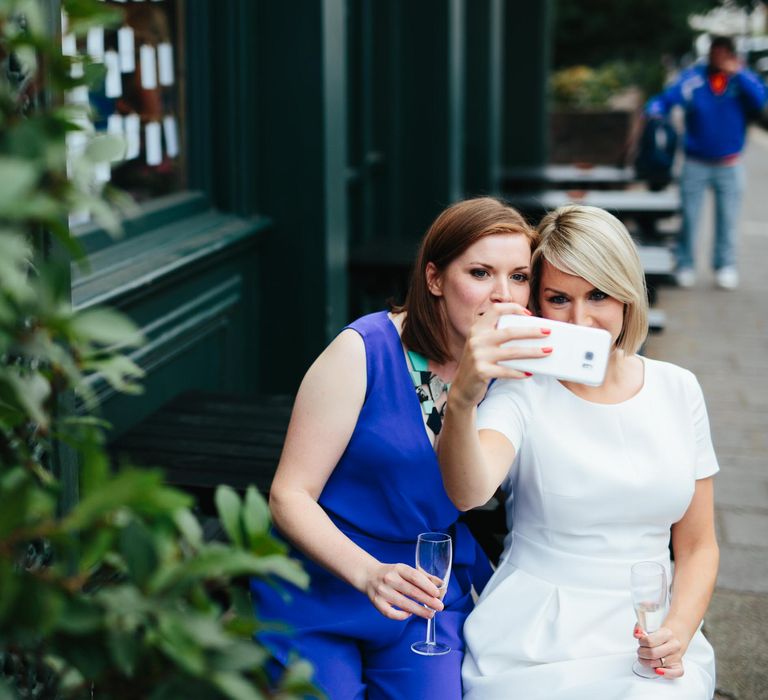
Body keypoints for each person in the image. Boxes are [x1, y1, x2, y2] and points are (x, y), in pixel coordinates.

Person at [250, 197, 538, 699]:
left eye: (518, 276)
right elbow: (289, 495)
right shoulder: (362, 351)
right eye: (480, 273)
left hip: (422, 598)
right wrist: (368, 573)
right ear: (434, 279)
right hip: (322, 587)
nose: (502, 295)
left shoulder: (512, 371)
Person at [438, 204, 720, 699]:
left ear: (628, 296)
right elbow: (468, 491)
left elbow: (697, 545)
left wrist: (678, 628)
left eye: (598, 294)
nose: (581, 318)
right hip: (537, 633)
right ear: (538, 305)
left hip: (648, 625)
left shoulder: (679, 389)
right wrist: (464, 395)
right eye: (558, 298)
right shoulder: (522, 391)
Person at [646, 35, 767, 290]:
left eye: (725, 53)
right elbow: (667, 99)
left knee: (728, 218)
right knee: (690, 217)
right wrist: (654, 110)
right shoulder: (694, 78)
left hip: (730, 163)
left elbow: (760, 100)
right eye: (716, 52)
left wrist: (740, 73)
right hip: (695, 162)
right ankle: (686, 264)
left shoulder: (741, 80)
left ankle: (725, 266)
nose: (719, 57)